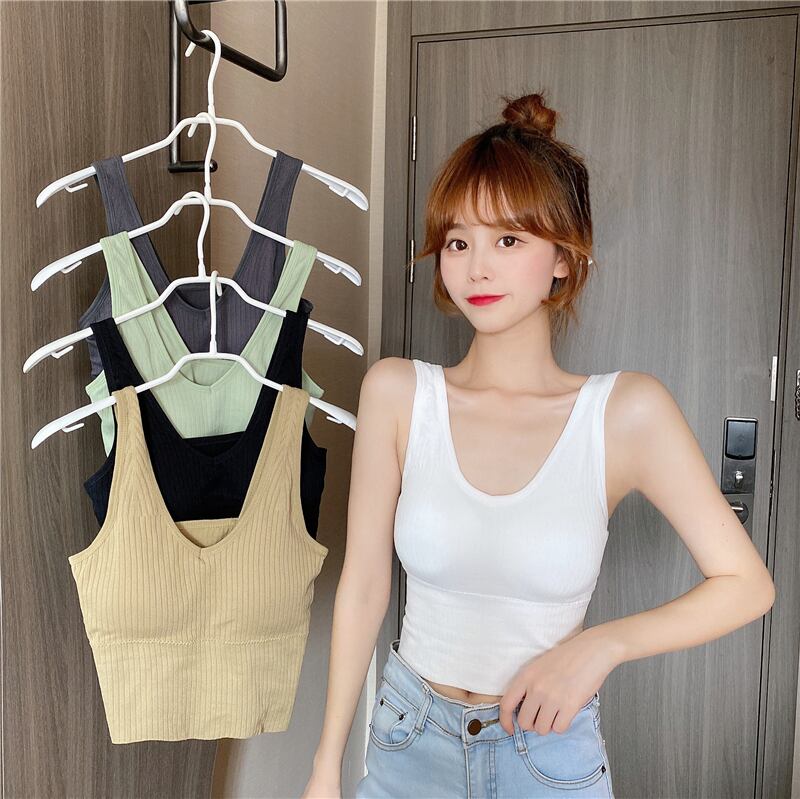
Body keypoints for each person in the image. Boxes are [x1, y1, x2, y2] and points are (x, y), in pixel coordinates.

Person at [302, 91, 775, 799]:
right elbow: (365, 586)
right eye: (458, 241)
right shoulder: (398, 393)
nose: (476, 268)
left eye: (508, 240)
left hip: (546, 754)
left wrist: (601, 646)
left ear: (564, 258)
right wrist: (325, 766)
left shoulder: (625, 413)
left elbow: (747, 585)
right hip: (408, 741)